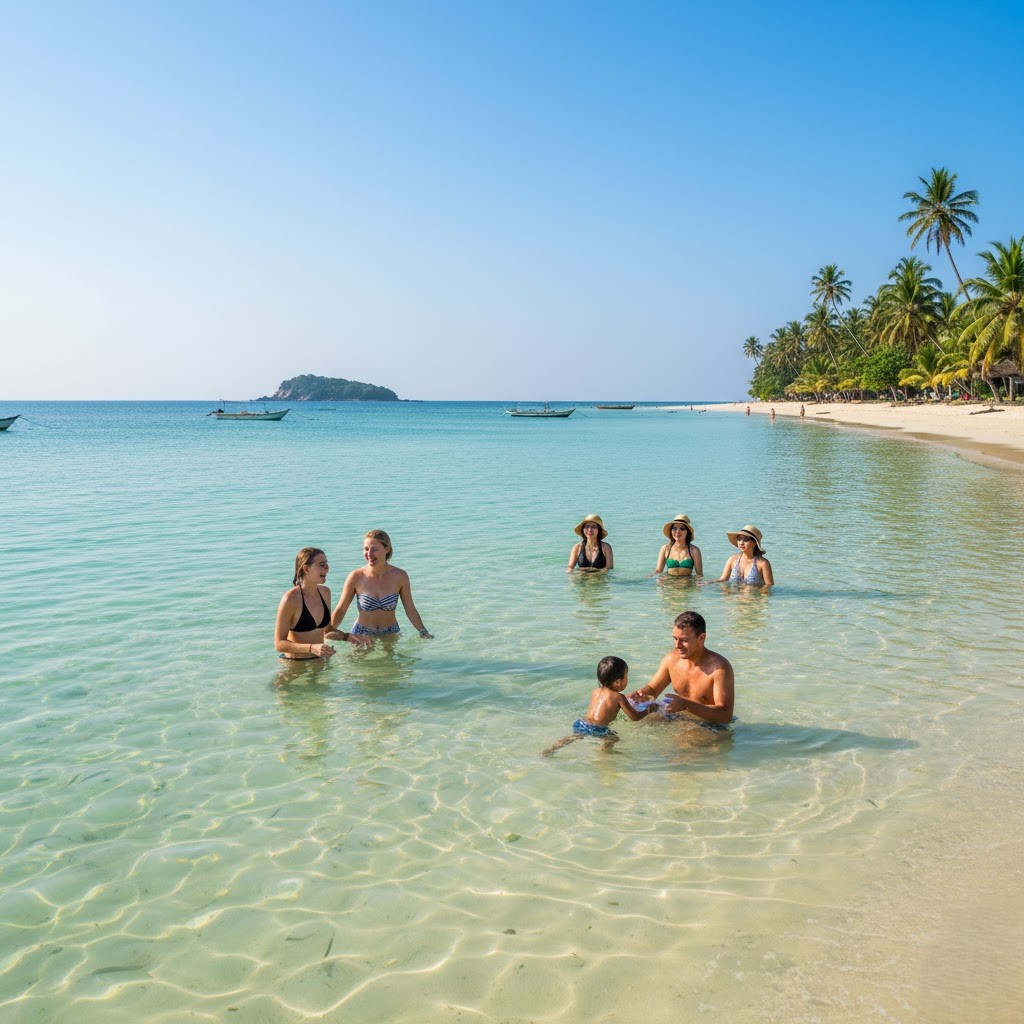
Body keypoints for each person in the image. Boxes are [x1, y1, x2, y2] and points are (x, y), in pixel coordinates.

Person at [629, 611, 735, 728]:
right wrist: (640, 694)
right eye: (675, 639)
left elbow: (726, 716)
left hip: (710, 726)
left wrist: (686, 705)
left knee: (686, 743)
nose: (677, 645)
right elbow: (653, 690)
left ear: (701, 638)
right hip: (680, 718)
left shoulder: (719, 668)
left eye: (684, 640)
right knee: (635, 719)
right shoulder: (672, 659)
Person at [331, 529, 434, 640]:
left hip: (391, 632)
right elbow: (341, 609)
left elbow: (410, 609)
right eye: (366, 549)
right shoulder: (355, 576)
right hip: (362, 633)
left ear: (387, 549)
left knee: (391, 658)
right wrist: (327, 632)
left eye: (374, 549)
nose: (369, 554)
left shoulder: (400, 576)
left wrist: (422, 631)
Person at [542, 656, 654, 755]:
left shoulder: (595, 691)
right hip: (598, 728)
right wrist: (648, 710)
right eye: (626, 676)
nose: (627, 679)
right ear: (618, 682)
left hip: (583, 723)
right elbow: (634, 717)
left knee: (573, 737)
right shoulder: (619, 697)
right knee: (613, 738)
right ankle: (603, 756)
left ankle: (552, 749)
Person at [274, 547, 369, 659]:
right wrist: (311, 648)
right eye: (322, 565)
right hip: (295, 664)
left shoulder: (325, 592)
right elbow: (279, 644)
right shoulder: (291, 599)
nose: (327, 569)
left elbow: (328, 630)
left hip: (320, 662)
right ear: (306, 569)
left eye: (327, 565)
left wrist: (347, 637)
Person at [703, 525, 774, 586]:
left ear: (755, 543)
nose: (741, 543)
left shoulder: (763, 563)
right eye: (739, 539)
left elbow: (769, 586)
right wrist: (709, 583)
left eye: (746, 539)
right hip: (735, 599)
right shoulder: (732, 559)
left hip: (753, 600)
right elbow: (723, 579)